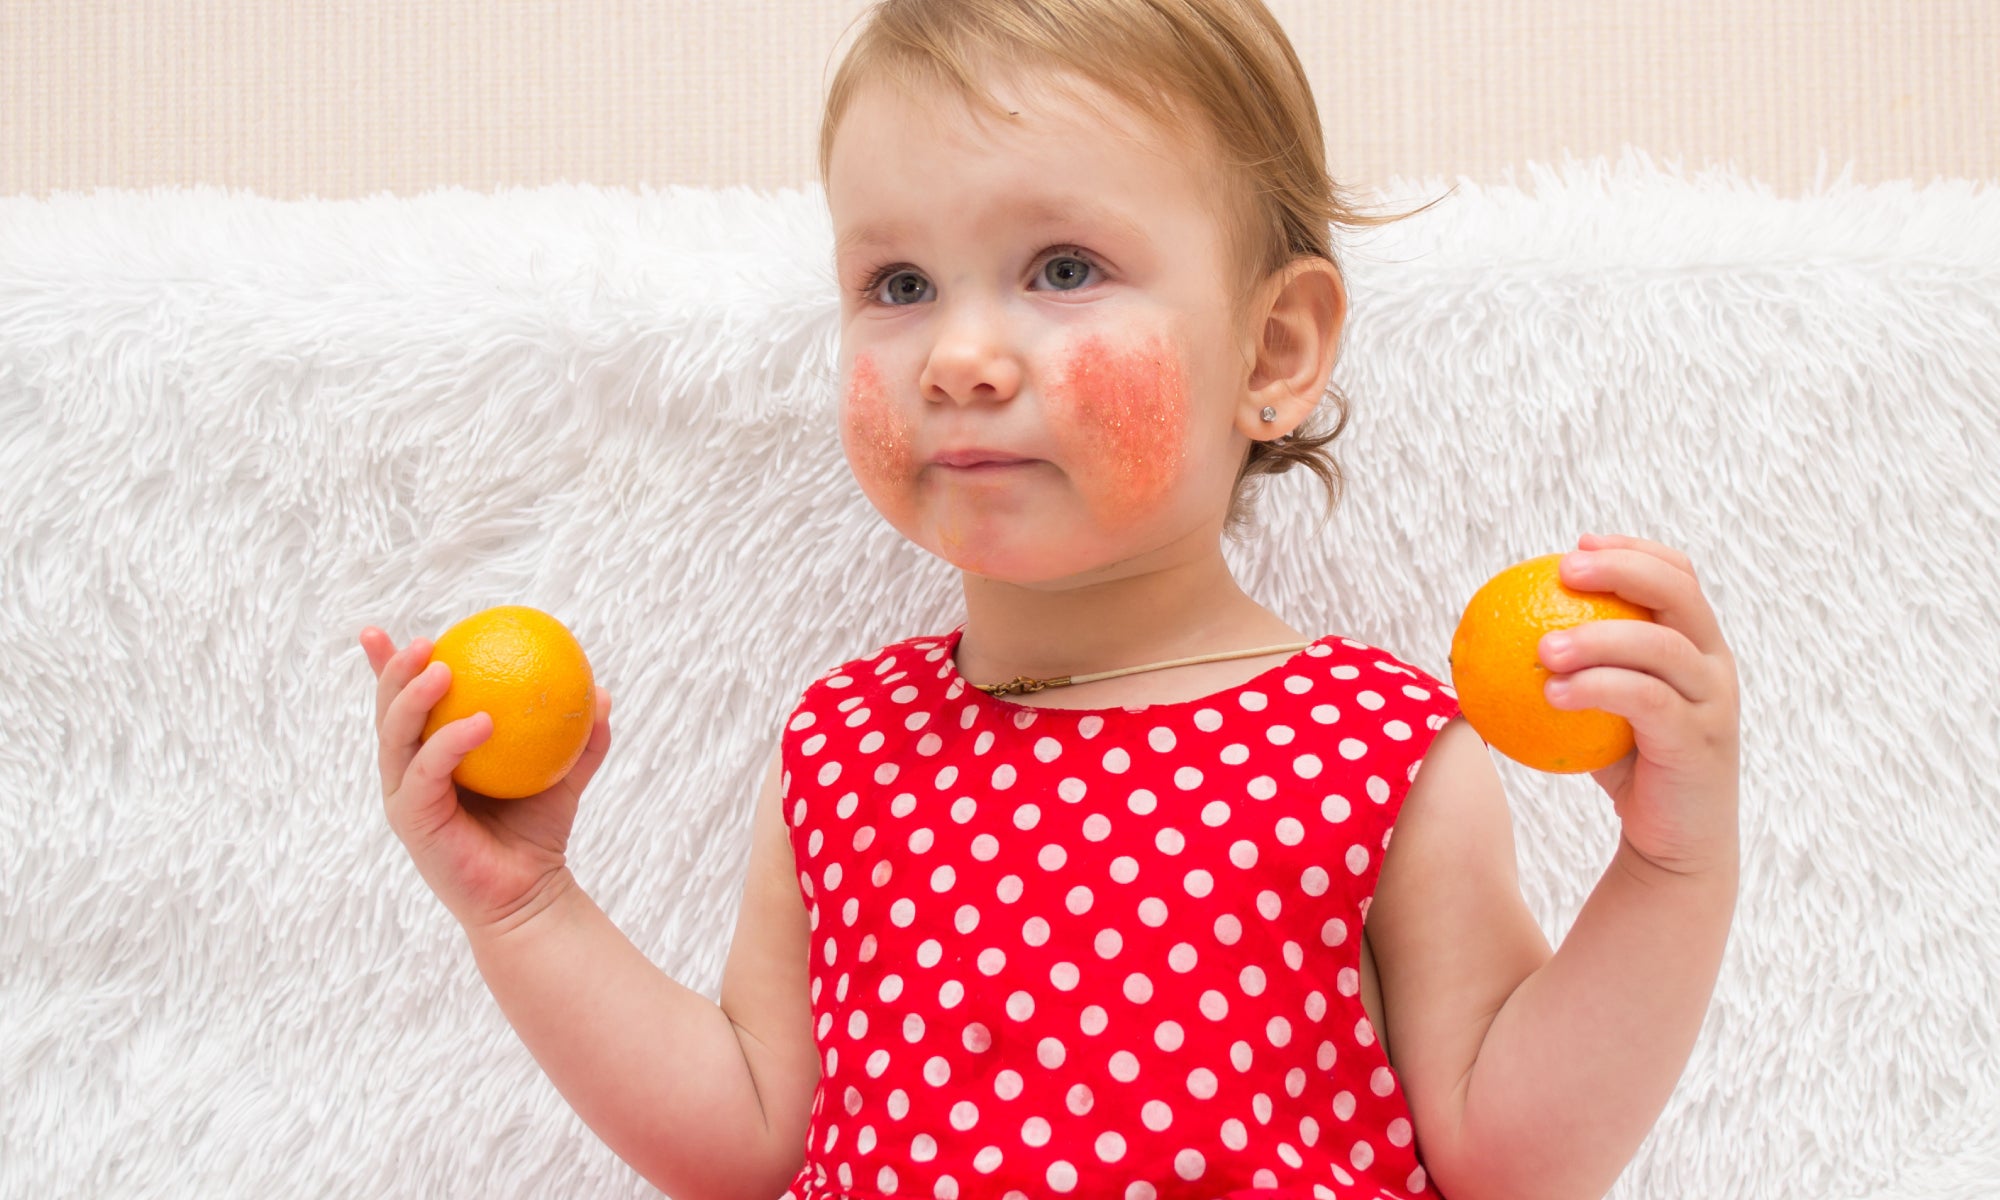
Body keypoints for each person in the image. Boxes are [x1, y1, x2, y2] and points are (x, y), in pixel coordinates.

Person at [359, 1, 1742, 1197]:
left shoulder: (1377, 754)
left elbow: (1514, 1161)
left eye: (1064, 269)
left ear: (1274, 347)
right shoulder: (846, 748)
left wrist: (1669, 868)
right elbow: (750, 1145)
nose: (960, 355)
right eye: (898, 283)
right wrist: (528, 908)